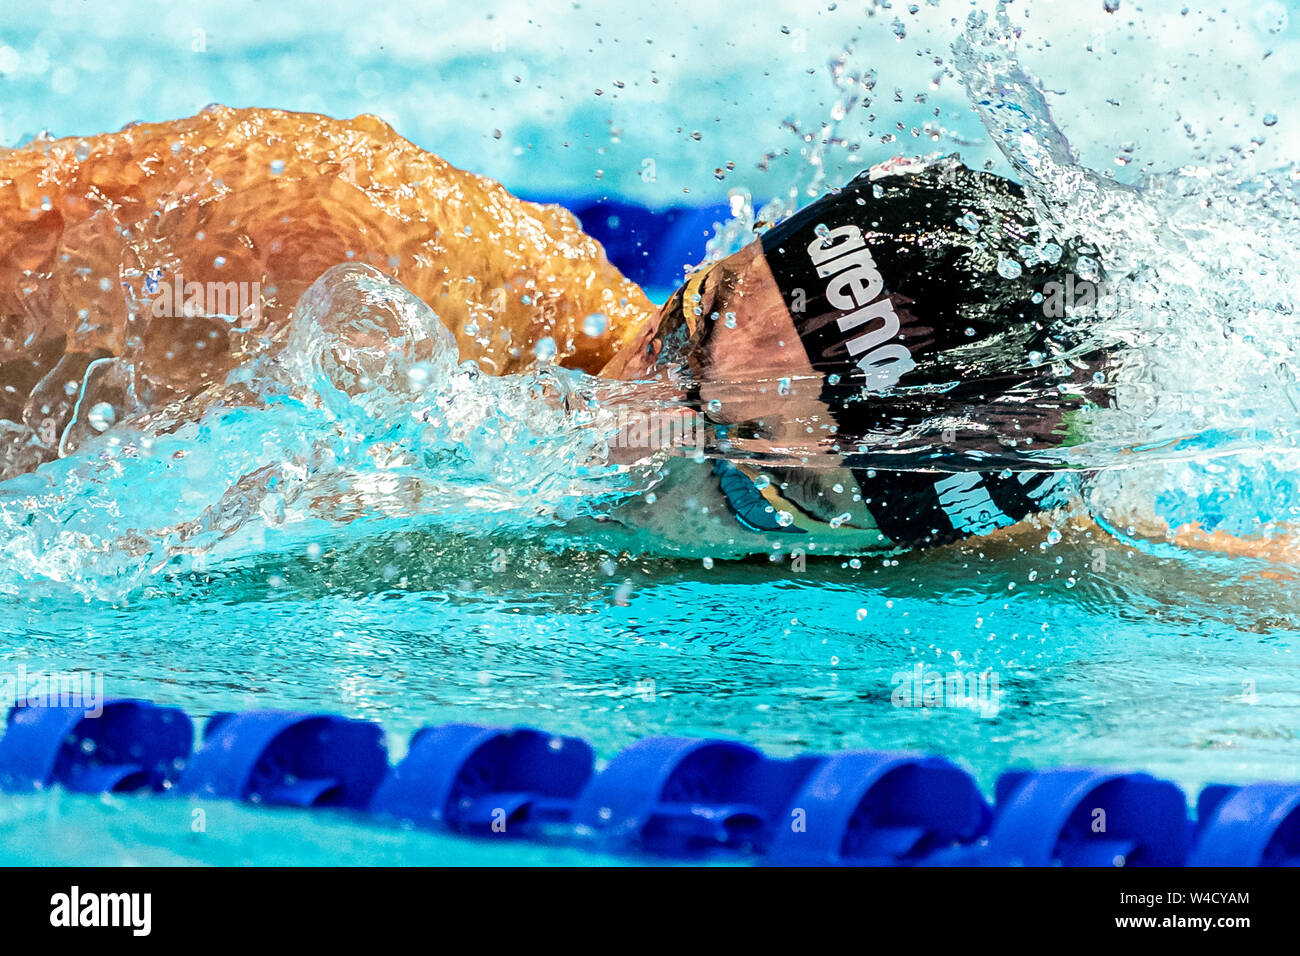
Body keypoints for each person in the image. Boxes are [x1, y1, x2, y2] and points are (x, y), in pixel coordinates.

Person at [595, 155, 1110, 558]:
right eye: (683, 338)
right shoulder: (524, 293)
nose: (629, 435)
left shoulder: (967, 561)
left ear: (870, 546)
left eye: (748, 491)